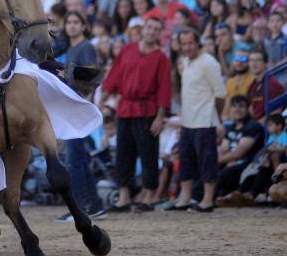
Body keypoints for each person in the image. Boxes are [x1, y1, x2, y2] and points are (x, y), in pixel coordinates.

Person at [99, 18, 171, 211]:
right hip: (125, 109)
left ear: (160, 34)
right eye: (149, 27)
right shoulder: (127, 49)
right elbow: (114, 76)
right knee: (123, 153)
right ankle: (124, 197)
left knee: (148, 153)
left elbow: (164, 88)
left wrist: (160, 116)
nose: (152, 31)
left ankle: (148, 196)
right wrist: (101, 100)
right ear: (143, 29)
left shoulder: (161, 58)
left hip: (148, 111)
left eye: (157, 29)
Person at [56, 11, 106, 221]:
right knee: (79, 159)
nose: (72, 26)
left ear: (84, 26)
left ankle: (81, 207)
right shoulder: (71, 47)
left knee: (75, 160)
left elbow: (92, 78)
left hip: (78, 108)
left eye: (77, 22)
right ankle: (93, 204)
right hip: (73, 108)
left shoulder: (85, 47)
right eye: (69, 22)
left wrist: (83, 104)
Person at [170, 29, 226, 212]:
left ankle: (208, 200)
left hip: (205, 120)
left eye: (190, 43)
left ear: (198, 42)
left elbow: (220, 94)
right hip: (188, 121)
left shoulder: (209, 63)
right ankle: (184, 198)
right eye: (184, 44)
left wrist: (217, 118)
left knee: (207, 161)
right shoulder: (185, 62)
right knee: (186, 161)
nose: (187, 47)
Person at [215, 95, 265, 197]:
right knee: (206, 170)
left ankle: (210, 199)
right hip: (230, 162)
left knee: (222, 174)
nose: (237, 110)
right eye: (234, 106)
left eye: (241, 106)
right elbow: (224, 148)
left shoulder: (252, 126)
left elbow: (239, 153)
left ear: (248, 109)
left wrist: (219, 160)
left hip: (248, 164)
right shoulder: (230, 127)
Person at [245, 48, 285, 119]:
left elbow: (277, 111)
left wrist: (260, 124)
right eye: (251, 60)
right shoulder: (253, 85)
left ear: (265, 63)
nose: (254, 63)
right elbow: (250, 108)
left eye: (258, 60)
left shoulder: (272, 84)